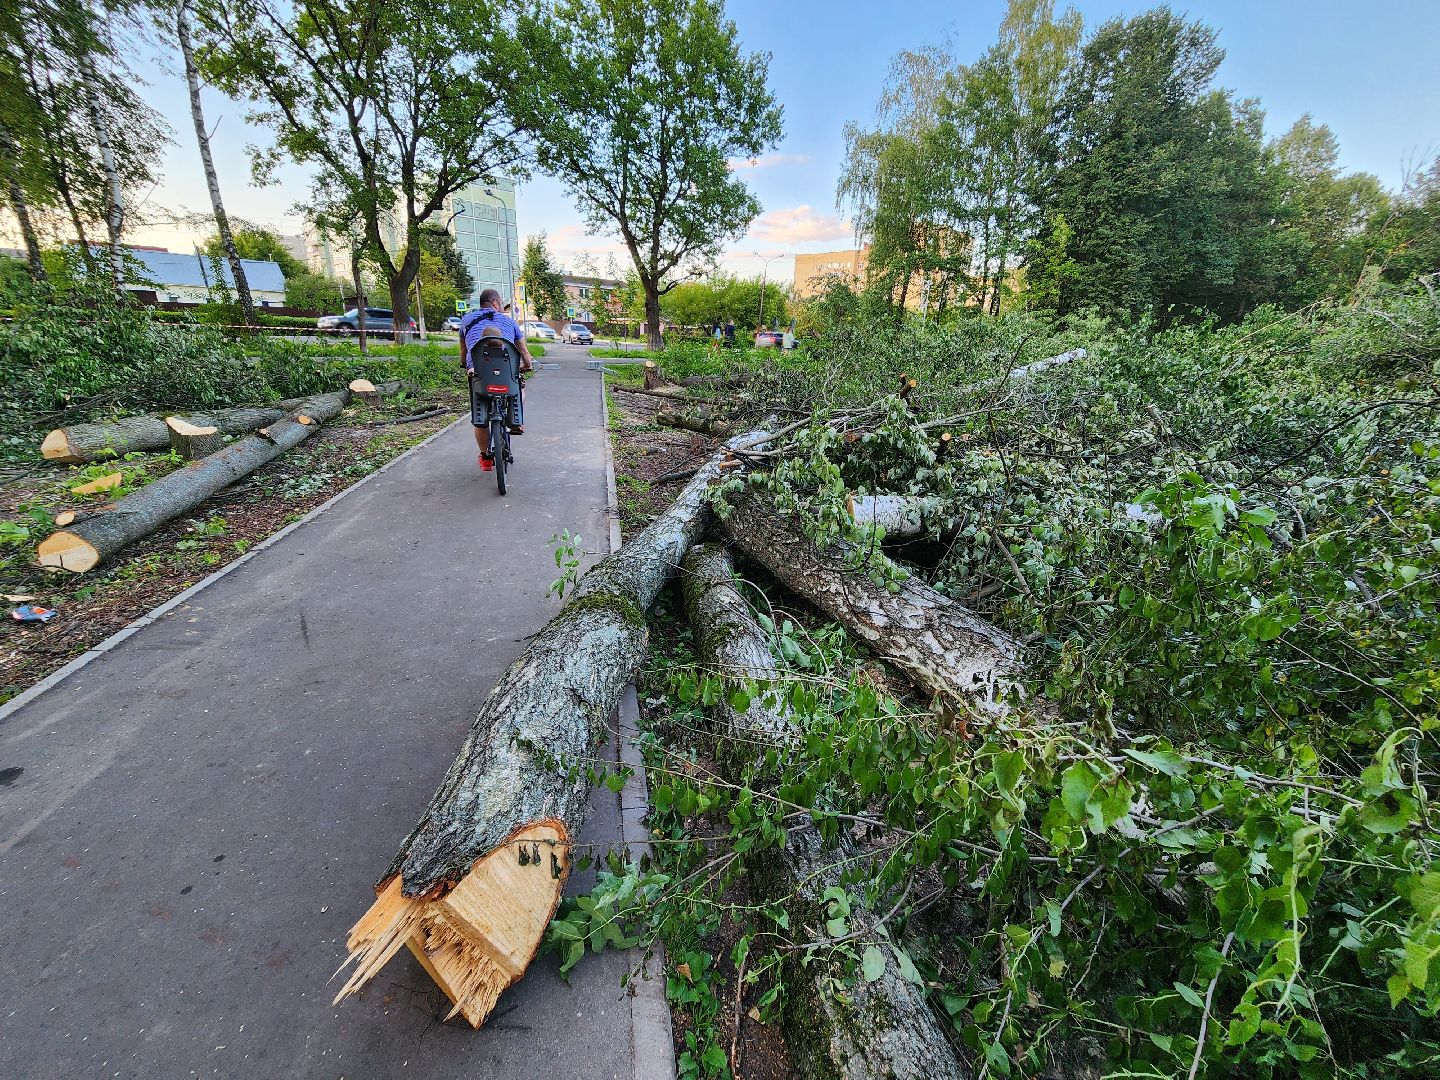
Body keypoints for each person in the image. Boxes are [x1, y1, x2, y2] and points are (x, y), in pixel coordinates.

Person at [460, 288, 533, 472]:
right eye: (500, 304)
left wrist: (465, 365)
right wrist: (526, 366)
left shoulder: (466, 321)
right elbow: (524, 354)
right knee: (519, 389)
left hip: (479, 375)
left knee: (480, 412)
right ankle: (515, 420)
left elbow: (463, 354)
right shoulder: (510, 322)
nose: (501, 307)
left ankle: (485, 458)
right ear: (495, 303)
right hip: (506, 374)